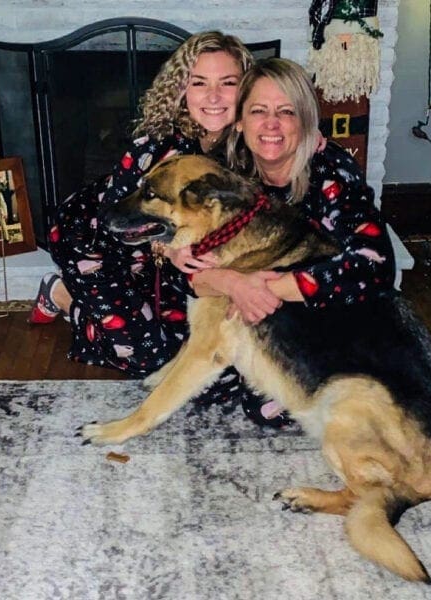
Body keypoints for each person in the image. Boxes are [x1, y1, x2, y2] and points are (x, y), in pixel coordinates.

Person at [30, 31, 290, 426]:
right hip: (96, 240)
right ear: (181, 89)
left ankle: (111, 305)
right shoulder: (157, 144)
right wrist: (173, 252)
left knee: (195, 366)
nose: (213, 96)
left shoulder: (250, 145)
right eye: (199, 83)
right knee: (144, 358)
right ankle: (62, 294)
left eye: (228, 83)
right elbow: (115, 217)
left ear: (247, 88)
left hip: (170, 258)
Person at [183, 57, 395, 422]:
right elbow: (185, 263)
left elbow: (376, 268)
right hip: (254, 300)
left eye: (287, 112)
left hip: (329, 310)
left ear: (306, 121)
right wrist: (233, 282)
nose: (271, 124)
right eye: (258, 110)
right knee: (205, 384)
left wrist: (273, 289)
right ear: (239, 121)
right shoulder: (226, 171)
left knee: (263, 408)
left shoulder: (331, 170)